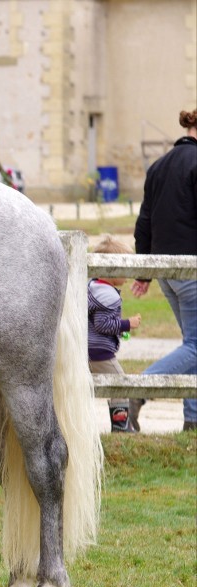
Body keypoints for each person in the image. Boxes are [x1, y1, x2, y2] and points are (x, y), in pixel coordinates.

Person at [129, 109, 197, 433]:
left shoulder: (157, 167)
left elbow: (144, 223)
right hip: (192, 271)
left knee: (193, 344)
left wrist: (145, 272)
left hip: (166, 272)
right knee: (196, 345)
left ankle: (193, 420)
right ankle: (138, 390)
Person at [87, 236, 141, 432]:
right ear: (111, 269)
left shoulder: (92, 286)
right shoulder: (109, 295)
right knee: (119, 383)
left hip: (85, 350)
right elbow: (102, 324)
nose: (127, 274)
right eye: (124, 267)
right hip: (100, 353)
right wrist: (127, 324)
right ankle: (121, 428)